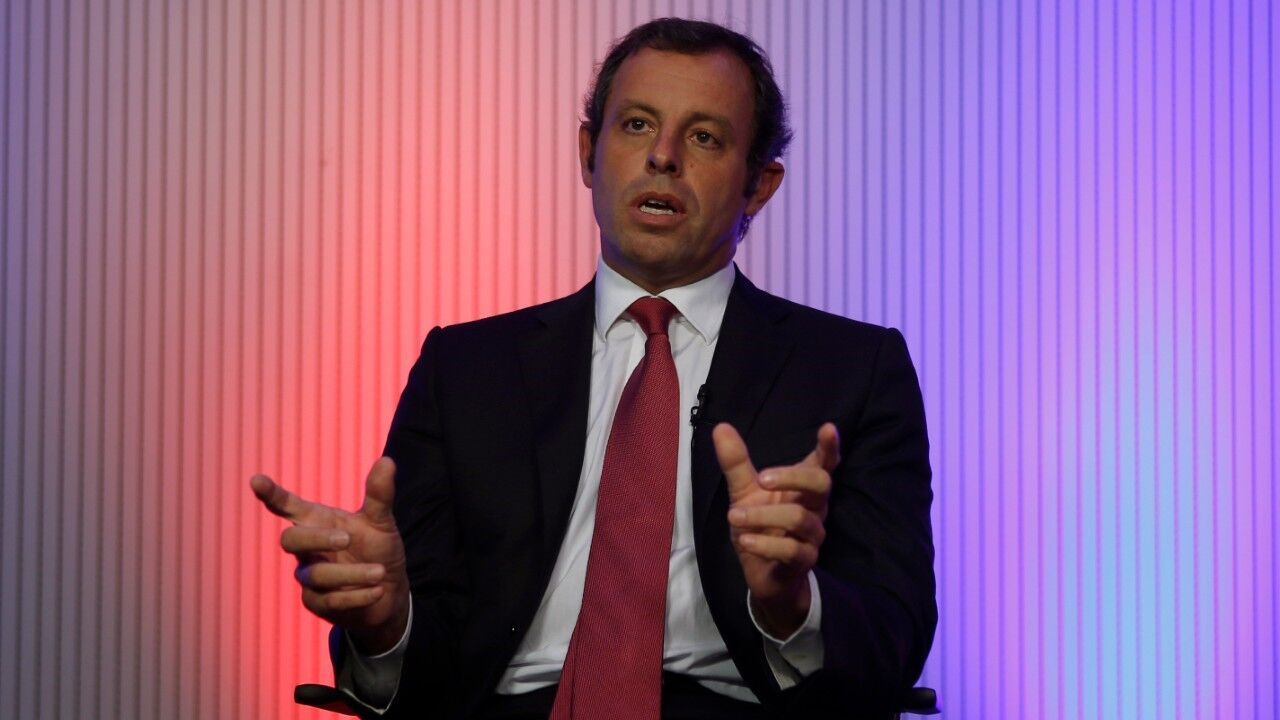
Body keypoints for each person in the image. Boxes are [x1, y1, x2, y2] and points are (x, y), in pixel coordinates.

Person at [251, 17, 935, 720]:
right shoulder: (465, 371)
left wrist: (792, 605)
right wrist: (385, 624)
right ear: (588, 153)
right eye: (637, 125)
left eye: (704, 137)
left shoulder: (853, 369)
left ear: (759, 185)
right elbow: (423, 647)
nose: (663, 157)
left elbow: (897, 629)